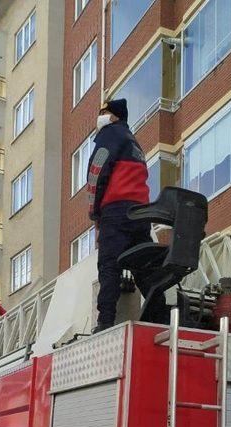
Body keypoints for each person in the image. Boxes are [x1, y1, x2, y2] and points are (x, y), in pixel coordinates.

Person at [86, 98, 151, 333]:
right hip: (141, 213)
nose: (99, 116)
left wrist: (95, 214)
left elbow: (96, 173)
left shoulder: (110, 134)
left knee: (109, 265)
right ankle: (160, 313)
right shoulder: (134, 143)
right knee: (143, 266)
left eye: (102, 112)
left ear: (113, 116)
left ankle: (105, 321)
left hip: (116, 210)